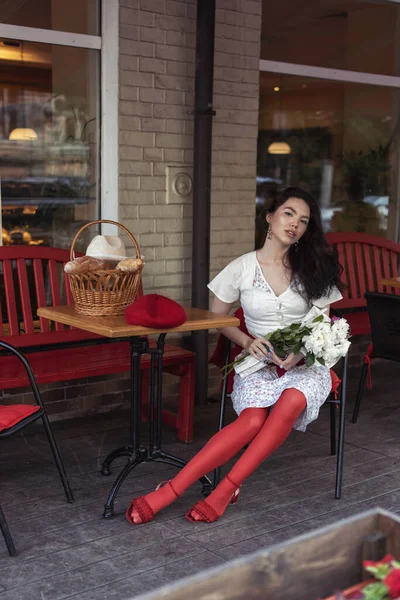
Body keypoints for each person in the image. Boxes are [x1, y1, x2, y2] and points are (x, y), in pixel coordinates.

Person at [126, 187, 343, 525]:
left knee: (291, 399)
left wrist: (300, 353)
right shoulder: (242, 267)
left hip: (304, 365)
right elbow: (218, 317)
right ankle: (172, 488)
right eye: (288, 214)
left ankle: (226, 488)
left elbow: (322, 321)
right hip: (258, 362)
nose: (295, 224)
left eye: (303, 221)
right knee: (253, 420)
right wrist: (246, 341)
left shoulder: (313, 269)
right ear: (270, 216)